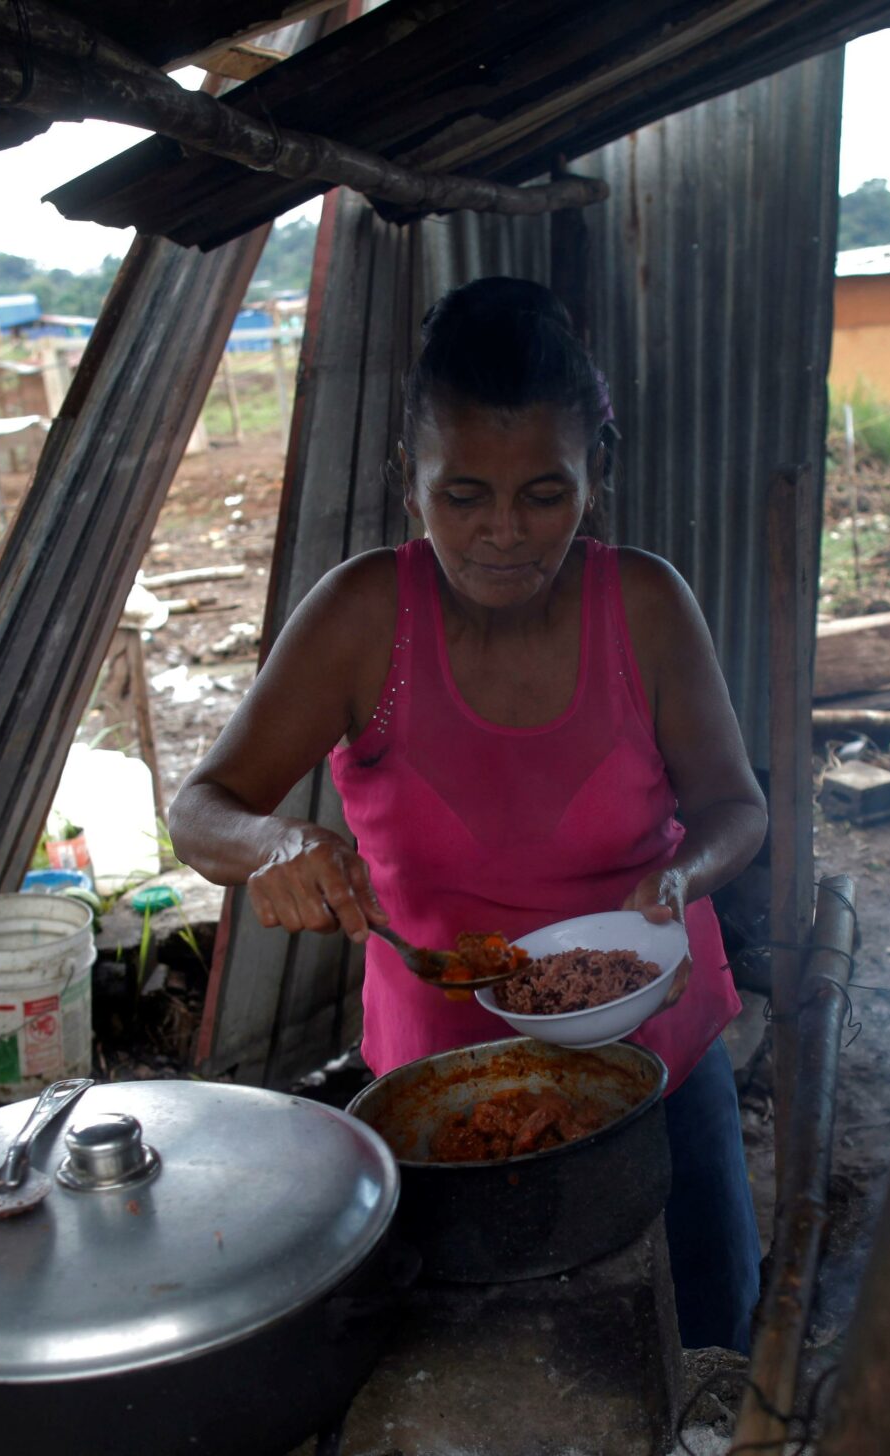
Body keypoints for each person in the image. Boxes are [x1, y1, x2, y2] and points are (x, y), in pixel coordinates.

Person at [168, 277, 769, 1350]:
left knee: (709, 1342)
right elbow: (202, 809)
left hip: (659, 1056)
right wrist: (277, 843)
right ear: (410, 485)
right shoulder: (364, 620)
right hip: (446, 1088)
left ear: (598, 478)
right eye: (464, 496)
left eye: (544, 494)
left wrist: (685, 876)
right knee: (480, 1370)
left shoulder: (642, 604)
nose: (502, 534)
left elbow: (735, 808)